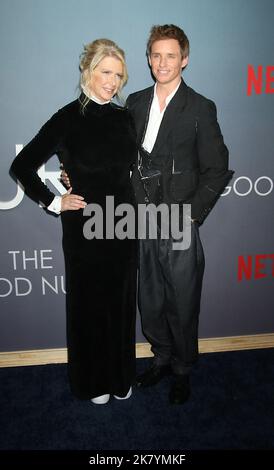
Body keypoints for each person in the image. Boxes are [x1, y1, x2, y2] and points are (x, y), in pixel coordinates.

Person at [10, 39, 137, 405]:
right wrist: (55, 201)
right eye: (105, 73)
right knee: (89, 306)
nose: (112, 82)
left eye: (118, 75)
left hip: (123, 223)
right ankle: (94, 381)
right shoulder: (66, 118)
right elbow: (21, 166)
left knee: (122, 302)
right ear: (88, 71)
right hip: (84, 227)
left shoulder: (124, 116)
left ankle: (120, 374)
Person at [126, 24, 234, 404]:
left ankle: (183, 369)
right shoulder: (135, 103)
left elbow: (217, 169)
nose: (163, 62)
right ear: (149, 59)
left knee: (182, 300)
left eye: (171, 55)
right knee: (151, 298)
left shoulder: (200, 107)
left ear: (184, 59)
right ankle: (161, 358)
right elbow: (123, 159)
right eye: (156, 55)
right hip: (141, 219)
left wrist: (191, 215)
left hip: (180, 222)